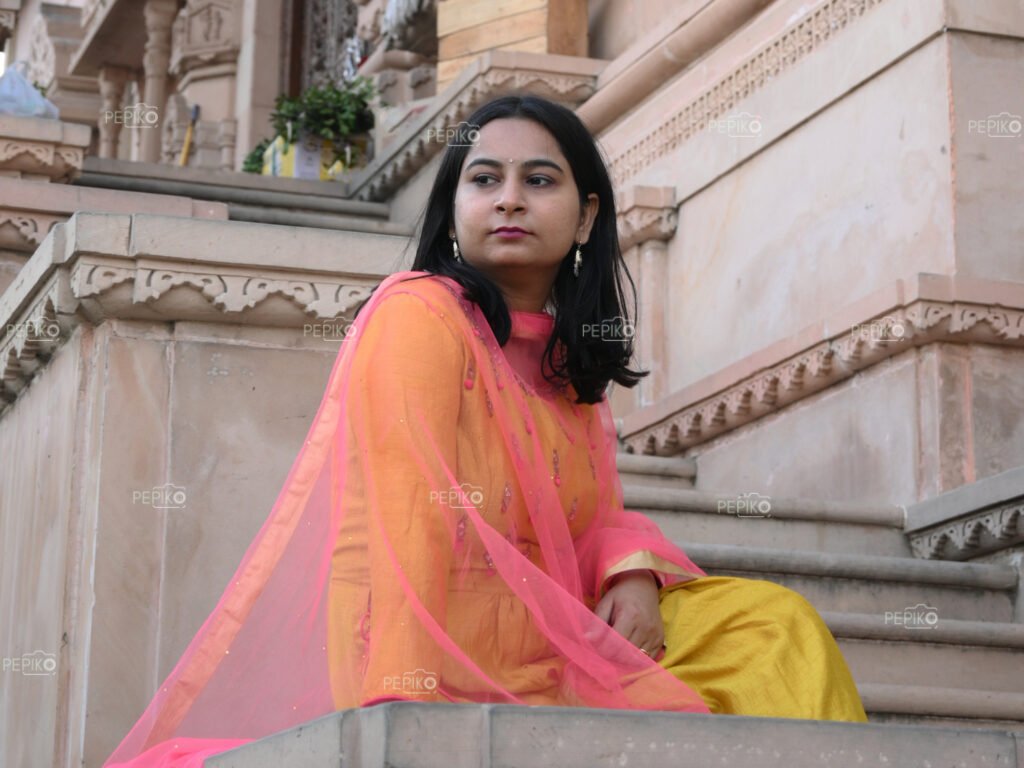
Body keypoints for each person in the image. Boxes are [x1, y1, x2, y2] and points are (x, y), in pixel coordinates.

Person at [103, 95, 866, 768]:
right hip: (447, 646)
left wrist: (631, 569)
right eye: (484, 179)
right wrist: (401, 704)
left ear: (587, 214)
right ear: (454, 208)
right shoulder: (419, 316)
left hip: (560, 631)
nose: (509, 199)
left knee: (775, 631)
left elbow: (593, 518)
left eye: (538, 180)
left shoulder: (568, 361)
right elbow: (400, 518)